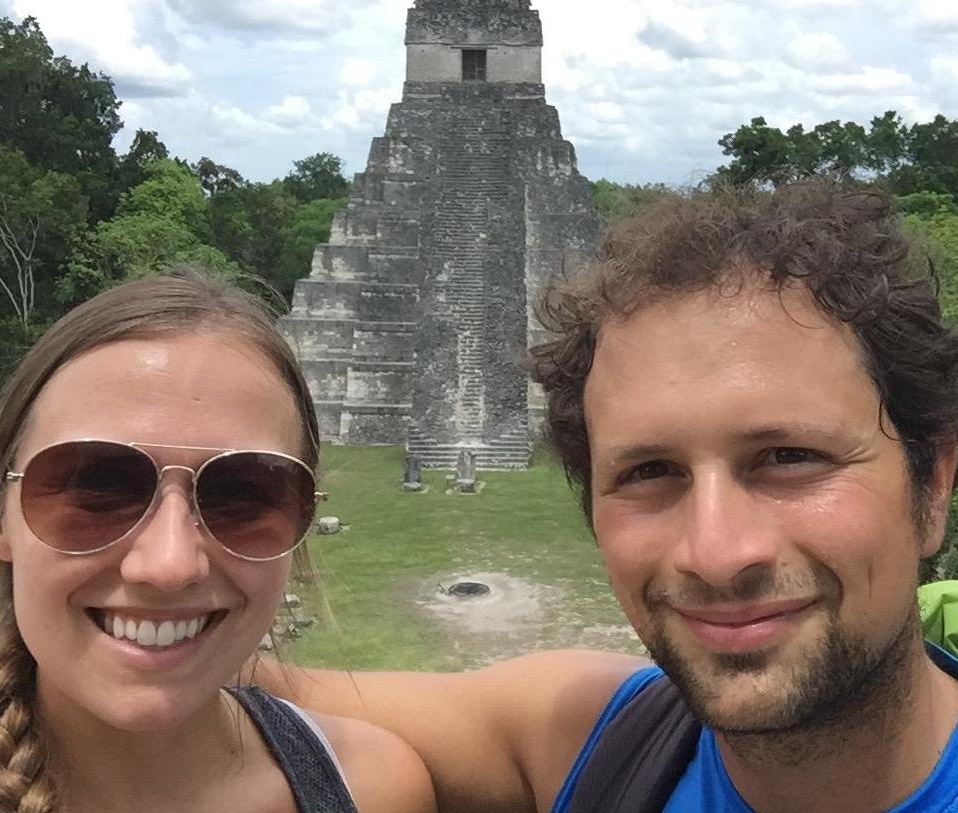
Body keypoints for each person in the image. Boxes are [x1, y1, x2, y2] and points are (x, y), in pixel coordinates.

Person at [261, 184, 958, 813]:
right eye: (650, 471)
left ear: (932, 483)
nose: (716, 554)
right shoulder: (591, 743)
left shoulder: (572, 743)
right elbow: (246, 687)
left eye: (790, 458)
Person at [0, 272, 435, 813]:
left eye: (244, 495)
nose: (169, 564)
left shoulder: (376, 788)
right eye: (99, 488)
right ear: (5, 518)